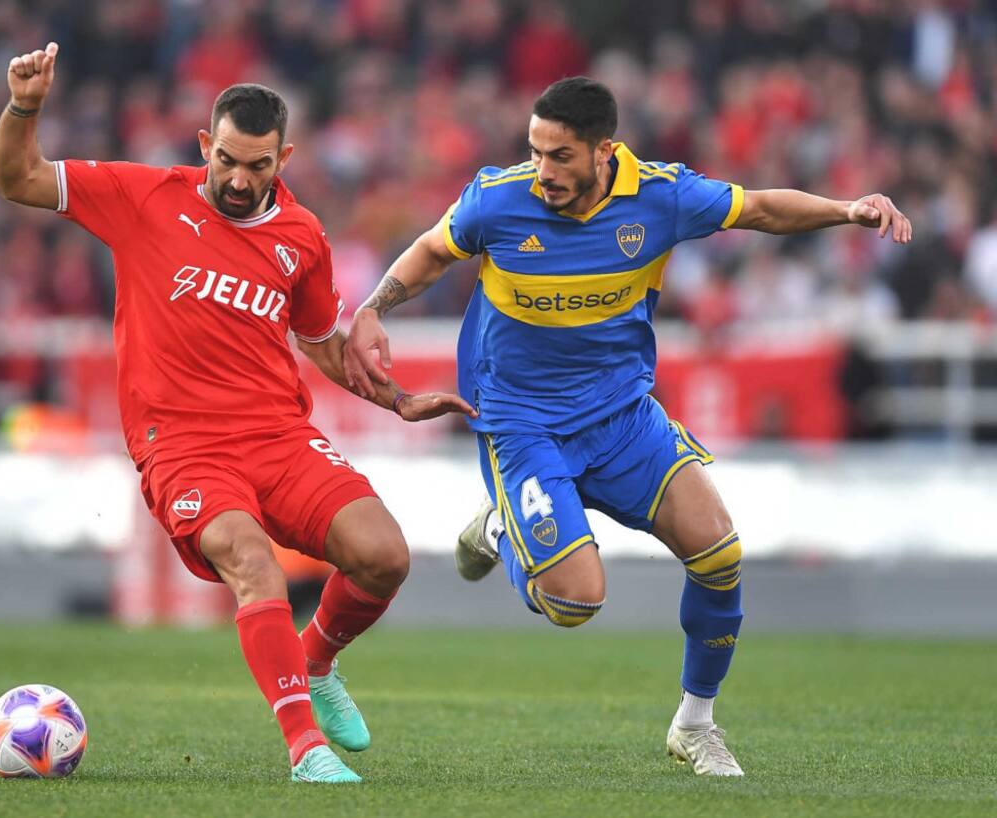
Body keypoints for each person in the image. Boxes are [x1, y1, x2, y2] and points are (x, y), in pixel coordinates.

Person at [344, 76, 911, 777]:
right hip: (524, 424)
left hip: (621, 416)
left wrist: (847, 210)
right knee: (572, 601)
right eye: (536, 151)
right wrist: (374, 306)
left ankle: (695, 724)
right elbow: (433, 250)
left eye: (560, 156)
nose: (544, 171)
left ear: (604, 152)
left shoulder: (661, 197)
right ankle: (500, 526)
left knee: (720, 553)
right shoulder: (499, 199)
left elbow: (760, 209)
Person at [0, 43, 476, 784]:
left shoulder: (302, 236)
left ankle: (316, 663)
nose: (241, 179)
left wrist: (397, 399)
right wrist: (25, 105)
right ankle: (305, 749)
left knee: (385, 556)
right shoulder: (145, 196)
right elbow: (17, 178)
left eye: (258, 166)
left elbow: (322, 344)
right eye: (227, 161)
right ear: (203, 146)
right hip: (181, 445)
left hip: (278, 436)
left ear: (284, 157)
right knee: (254, 565)